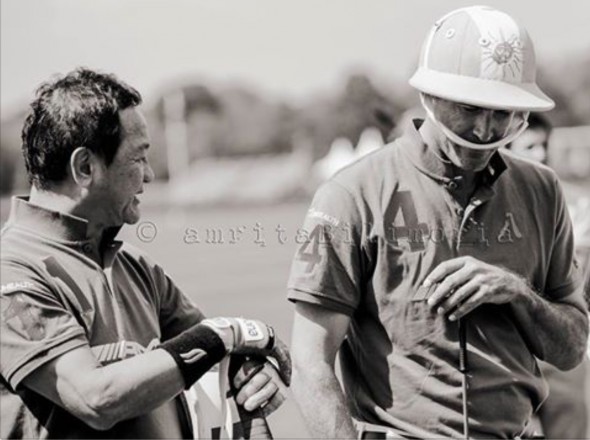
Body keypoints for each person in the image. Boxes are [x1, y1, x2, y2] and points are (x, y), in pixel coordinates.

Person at [287, 6, 588, 439]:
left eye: (502, 112)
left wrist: (517, 293)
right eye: (469, 108)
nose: (485, 129)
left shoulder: (542, 190)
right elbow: (311, 361)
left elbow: (572, 348)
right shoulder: (351, 193)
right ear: (429, 95)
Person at [0, 68, 290, 439]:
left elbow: (207, 352)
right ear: (85, 167)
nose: (150, 175)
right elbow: (95, 398)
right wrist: (225, 335)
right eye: (138, 158)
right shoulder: (11, 272)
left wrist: (246, 373)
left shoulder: (137, 266)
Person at [505, 113, 590, 439]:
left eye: (544, 145)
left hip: (562, 345)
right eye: (530, 146)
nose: (541, 154)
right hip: (511, 351)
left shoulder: (575, 202)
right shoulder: (492, 204)